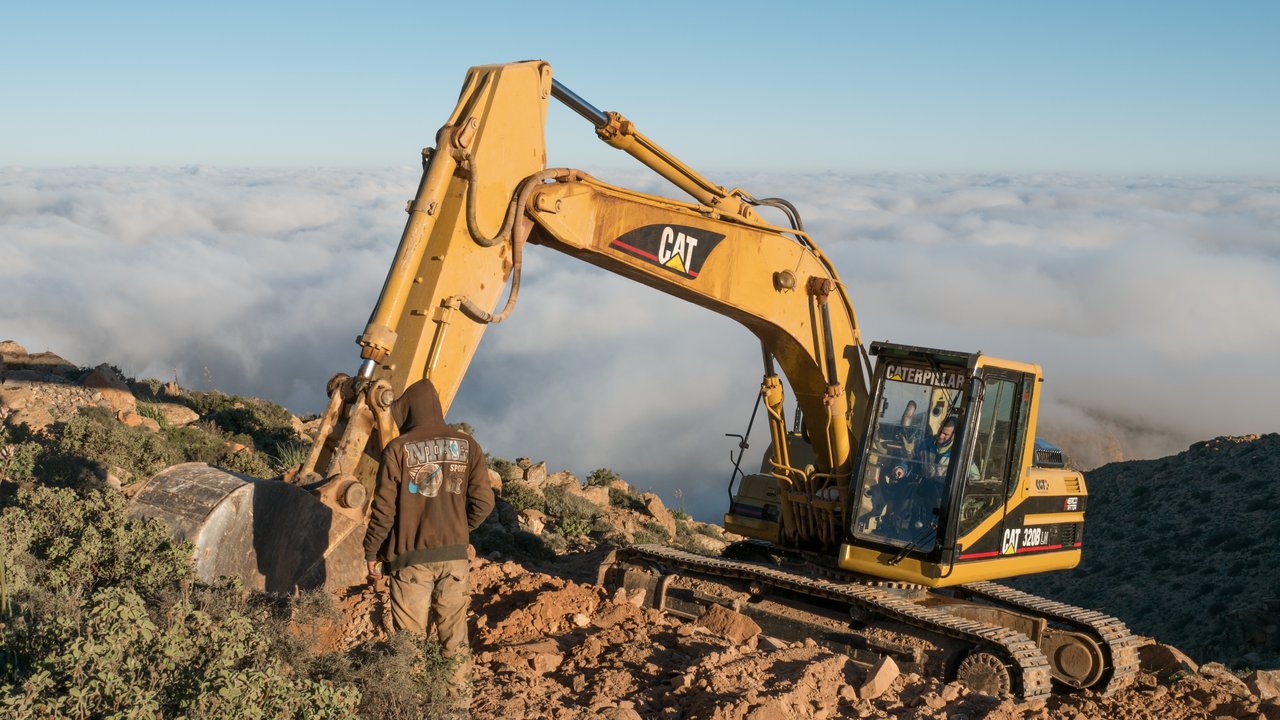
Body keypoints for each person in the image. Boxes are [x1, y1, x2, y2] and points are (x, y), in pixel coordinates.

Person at [363, 378, 495, 714]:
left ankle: (410, 707)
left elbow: (384, 509)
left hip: (410, 561)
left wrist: (372, 552)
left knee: (408, 643)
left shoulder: (397, 449)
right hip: (454, 560)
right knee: (454, 638)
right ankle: (456, 708)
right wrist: (460, 530)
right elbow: (483, 502)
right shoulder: (468, 446)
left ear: (408, 410)